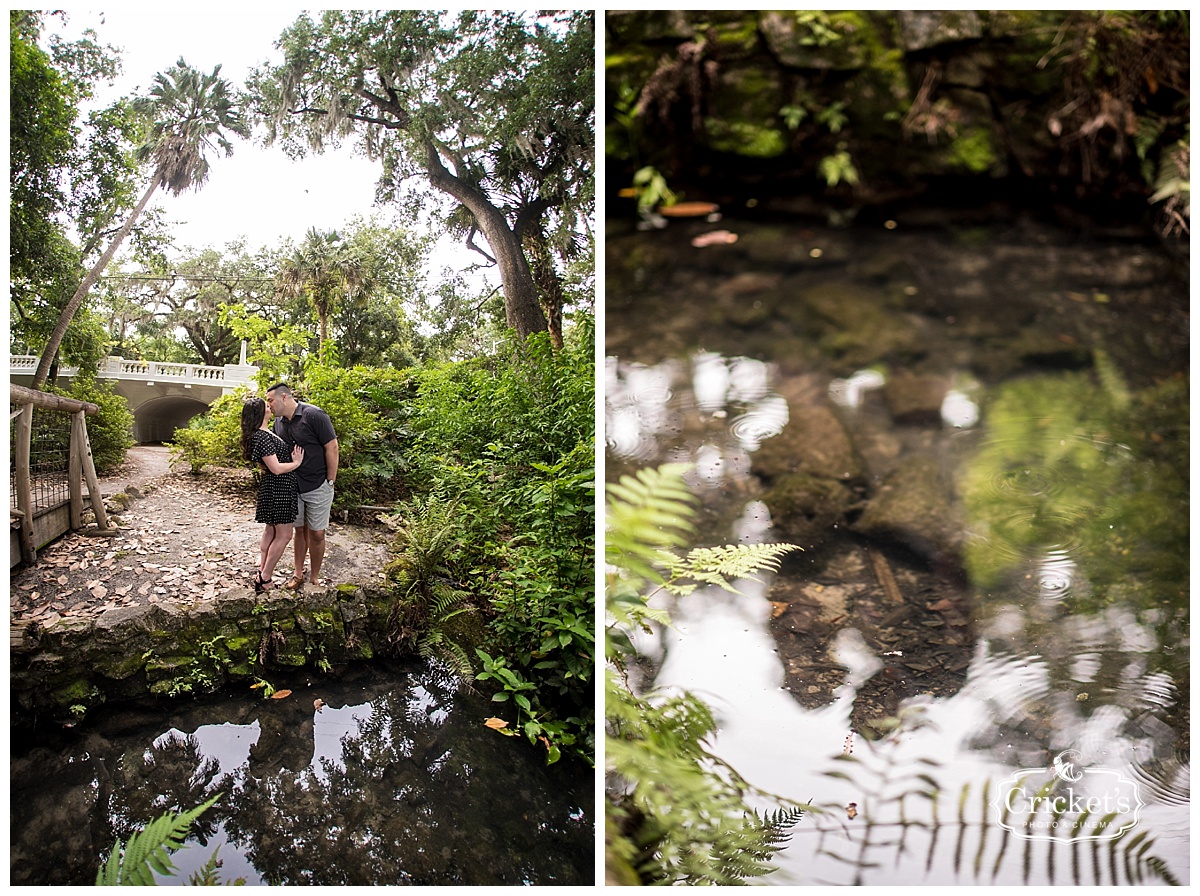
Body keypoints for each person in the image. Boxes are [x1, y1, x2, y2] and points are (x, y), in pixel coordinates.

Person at [266, 382, 339, 589]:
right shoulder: (279, 423)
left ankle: (314, 576)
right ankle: (298, 574)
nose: (268, 405)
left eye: (270, 400)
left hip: (318, 484)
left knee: (317, 533)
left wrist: (330, 481)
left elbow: (332, 447)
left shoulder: (314, 415)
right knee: (300, 530)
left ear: (284, 397)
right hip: (292, 485)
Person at [239, 396, 304, 593]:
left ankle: (262, 571)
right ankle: (265, 577)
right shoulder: (262, 436)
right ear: (260, 413)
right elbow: (275, 468)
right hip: (279, 488)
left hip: (275, 487)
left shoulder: (264, 433)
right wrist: (296, 463)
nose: (270, 406)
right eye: (266, 406)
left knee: (271, 531)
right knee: (284, 535)